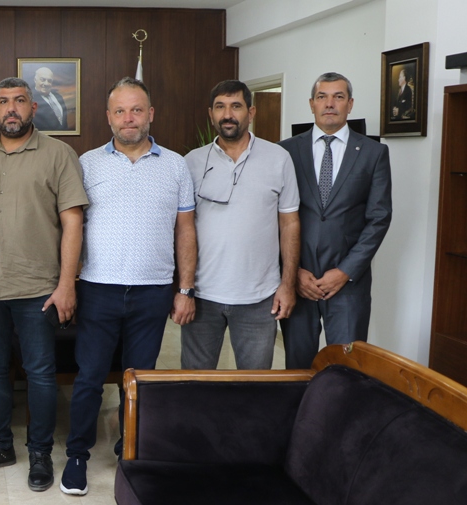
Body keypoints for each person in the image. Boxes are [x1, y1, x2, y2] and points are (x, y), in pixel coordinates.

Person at [60, 77, 196, 496]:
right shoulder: (86, 163)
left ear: (150, 114)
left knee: (138, 380)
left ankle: (131, 452)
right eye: (120, 111)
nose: (128, 118)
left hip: (152, 291)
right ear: (108, 117)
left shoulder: (176, 165)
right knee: (89, 377)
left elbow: (186, 229)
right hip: (98, 288)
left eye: (136, 110)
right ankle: (77, 455)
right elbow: (71, 227)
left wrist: (185, 290)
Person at [0, 77, 88, 492]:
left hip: (38, 288)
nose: (11, 108)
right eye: (3, 101)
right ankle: (0, 445)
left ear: (33, 107)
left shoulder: (59, 154)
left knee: (41, 374)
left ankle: (40, 453)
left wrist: (67, 284)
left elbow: (73, 222)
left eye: (19, 101)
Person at [181, 79, 300, 371]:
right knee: (193, 386)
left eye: (236, 106)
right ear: (211, 114)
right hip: (203, 296)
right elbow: (181, 228)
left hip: (259, 298)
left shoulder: (279, 159)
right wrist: (183, 290)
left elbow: (290, 225)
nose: (227, 114)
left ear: (251, 112)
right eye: (220, 107)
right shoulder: (191, 162)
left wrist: (287, 285)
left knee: (255, 387)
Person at [279, 72, 392, 369]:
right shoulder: (286, 151)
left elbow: (379, 218)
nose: (330, 104)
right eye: (322, 97)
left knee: (346, 369)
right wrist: (293, 272)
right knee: (297, 368)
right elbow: (274, 217)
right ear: (312, 104)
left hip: (348, 284)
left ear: (350, 104)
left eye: (338, 97)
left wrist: (344, 272)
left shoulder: (373, 153)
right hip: (298, 280)